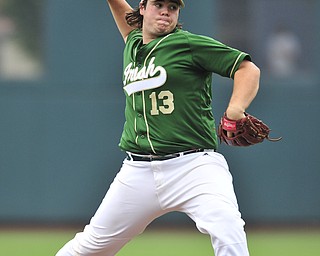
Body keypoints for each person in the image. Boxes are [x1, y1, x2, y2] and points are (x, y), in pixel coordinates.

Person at [55, 0, 260, 255]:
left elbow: (247, 69)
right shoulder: (133, 42)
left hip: (195, 166)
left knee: (228, 230)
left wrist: (235, 110)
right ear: (142, 8)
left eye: (173, 7)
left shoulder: (187, 44)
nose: (165, 11)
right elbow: (119, 8)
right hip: (137, 171)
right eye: (158, 4)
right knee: (89, 246)